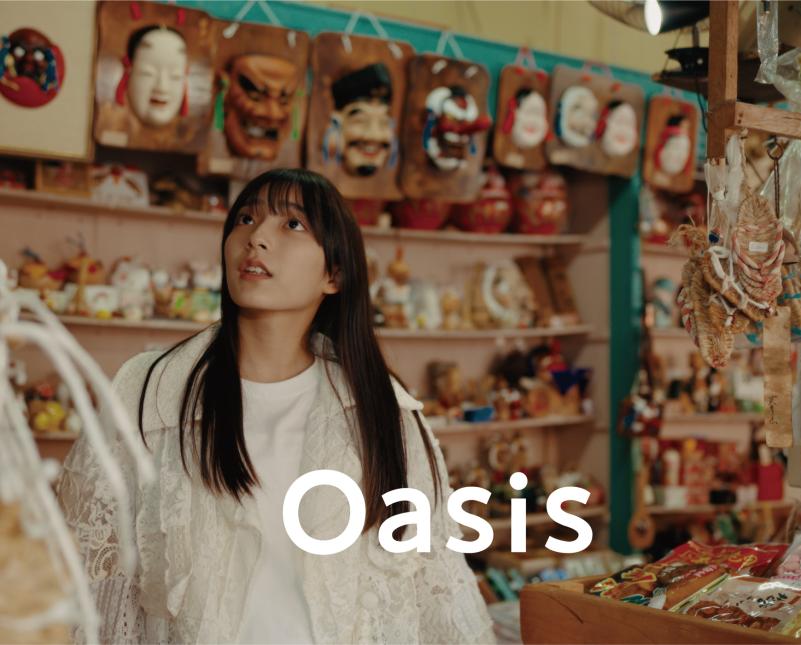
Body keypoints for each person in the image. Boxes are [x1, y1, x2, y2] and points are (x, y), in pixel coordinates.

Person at [57, 168, 495, 644]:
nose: (257, 237)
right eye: (245, 219)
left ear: (334, 274)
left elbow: (440, 592)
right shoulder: (148, 392)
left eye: (292, 224)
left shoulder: (383, 410)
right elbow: (87, 583)